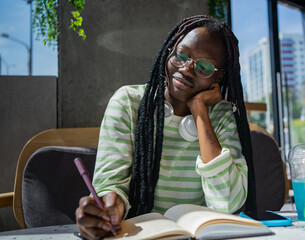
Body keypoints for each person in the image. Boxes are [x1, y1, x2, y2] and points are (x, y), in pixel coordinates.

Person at [75, 15, 255, 240]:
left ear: (219, 77)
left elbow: (227, 202)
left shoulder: (221, 116)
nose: (187, 69)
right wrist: (108, 209)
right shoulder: (127, 103)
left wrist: (200, 112)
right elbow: (111, 184)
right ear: (169, 51)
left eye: (205, 66)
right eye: (181, 55)